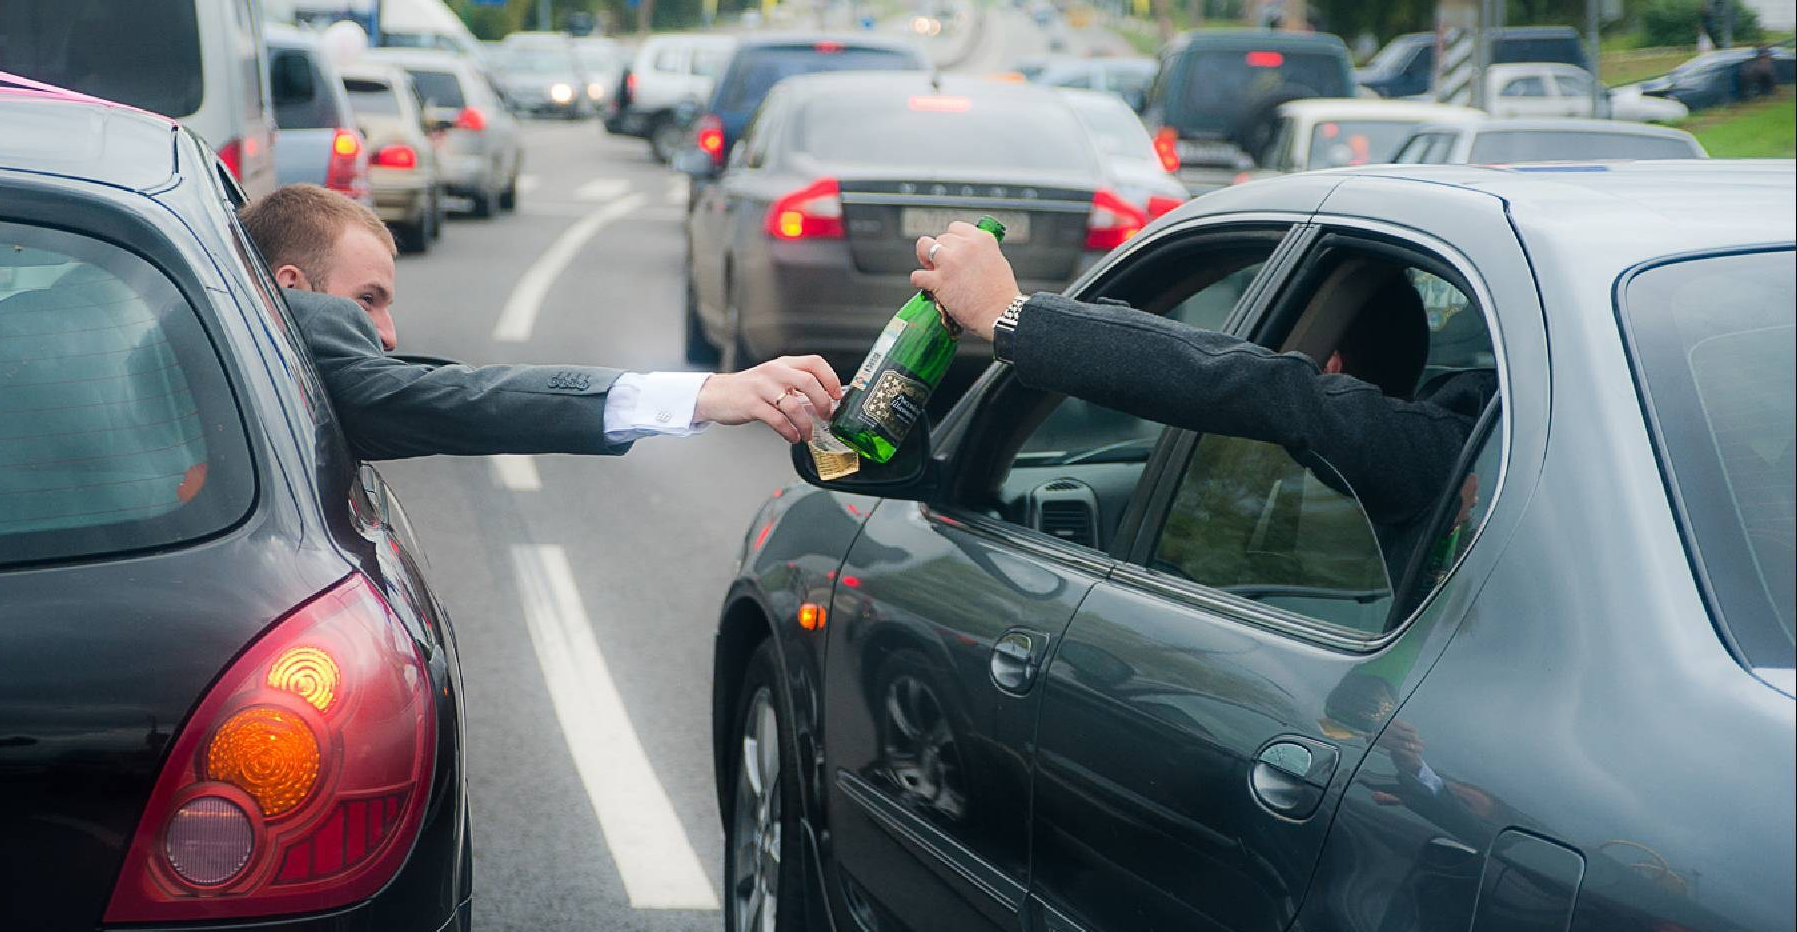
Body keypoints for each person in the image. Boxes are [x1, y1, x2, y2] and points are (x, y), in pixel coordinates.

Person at [908, 221, 1497, 580]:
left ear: (1333, 371)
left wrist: (1007, 315)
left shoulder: (1435, 452)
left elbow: (1248, 387)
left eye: (1289, 355)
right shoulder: (1509, 436)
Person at [239, 185, 840, 461]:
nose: (388, 334)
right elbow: (456, 400)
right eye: (365, 301)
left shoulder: (219, 340)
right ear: (292, 289)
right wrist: (706, 392)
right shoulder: (296, 357)